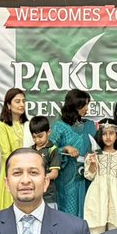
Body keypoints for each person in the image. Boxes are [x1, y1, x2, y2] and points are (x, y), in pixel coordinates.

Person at [49, 89, 97, 219]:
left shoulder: (90, 125)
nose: (87, 108)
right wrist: (65, 148)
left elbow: (98, 148)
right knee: (69, 215)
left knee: (89, 212)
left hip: (88, 176)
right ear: (75, 105)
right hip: (68, 179)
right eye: (84, 105)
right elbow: (48, 149)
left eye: (88, 104)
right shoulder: (60, 126)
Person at [83, 121, 117, 234]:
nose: (108, 137)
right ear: (100, 135)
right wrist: (93, 163)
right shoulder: (94, 154)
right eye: (104, 134)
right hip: (97, 194)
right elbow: (89, 175)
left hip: (116, 195)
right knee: (96, 230)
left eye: (111, 133)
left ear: (116, 135)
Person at [0, 88, 29, 214]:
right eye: (17, 101)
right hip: (11, 169)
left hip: (28, 170)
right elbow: (6, 153)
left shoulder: (28, 125)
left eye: (23, 101)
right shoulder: (2, 125)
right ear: (8, 105)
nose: (22, 104)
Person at [28, 115, 60, 209]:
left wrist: (41, 177)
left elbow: (54, 173)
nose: (37, 140)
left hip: (48, 195)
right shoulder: (30, 150)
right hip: (32, 194)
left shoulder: (52, 149)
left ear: (48, 132)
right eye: (34, 137)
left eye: (40, 136)